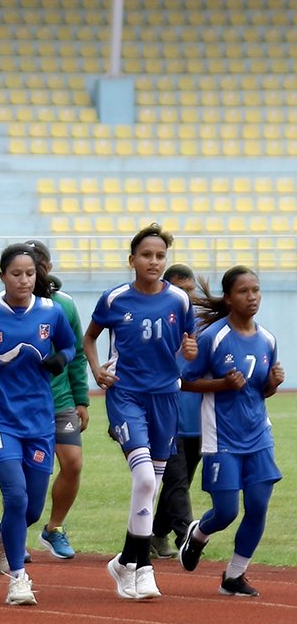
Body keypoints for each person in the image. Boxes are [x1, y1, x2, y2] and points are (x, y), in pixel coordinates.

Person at [0, 243, 76, 606]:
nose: (24, 280)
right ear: (2, 276)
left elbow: (69, 347)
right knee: (16, 497)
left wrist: (60, 359)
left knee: (31, 509)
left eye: (30, 274)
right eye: (16, 274)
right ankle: (19, 579)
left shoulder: (51, 312)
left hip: (38, 421)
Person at [81, 224, 194, 600]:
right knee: (145, 479)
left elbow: (188, 342)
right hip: (126, 395)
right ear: (132, 260)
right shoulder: (114, 299)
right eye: (146, 255)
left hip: (166, 399)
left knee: (150, 486)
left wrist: (189, 352)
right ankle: (143, 568)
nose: (154, 261)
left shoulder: (179, 300)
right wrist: (97, 370)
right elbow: (90, 337)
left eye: (160, 256)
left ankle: (124, 562)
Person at [177, 266, 281, 597]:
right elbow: (185, 381)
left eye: (256, 290)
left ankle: (234, 575)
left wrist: (272, 384)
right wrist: (222, 384)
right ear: (228, 298)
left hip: (258, 435)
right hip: (222, 437)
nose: (252, 297)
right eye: (243, 291)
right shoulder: (213, 337)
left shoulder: (267, 340)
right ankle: (198, 534)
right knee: (226, 512)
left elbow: (259, 392)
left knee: (258, 506)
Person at [27, 241, 91, 561]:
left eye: (38, 264)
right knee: (26, 475)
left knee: (73, 463)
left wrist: (82, 399)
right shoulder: (4, 306)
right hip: (23, 403)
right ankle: (11, 531)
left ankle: (54, 528)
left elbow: (77, 353)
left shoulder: (64, 305)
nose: (32, 272)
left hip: (60, 399)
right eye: (26, 266)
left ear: (48, 267)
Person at [157, 263, 202, 558]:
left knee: (180, 481)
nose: (187, 296)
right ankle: (188, 536)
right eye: (180, 290)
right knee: (176, 480)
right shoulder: (156, 322)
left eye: (190, 290)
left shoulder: (203, 325)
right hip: (165, 416)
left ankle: (155, 534)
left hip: (197, 420)